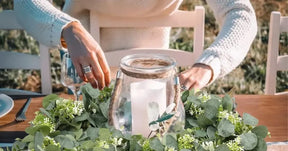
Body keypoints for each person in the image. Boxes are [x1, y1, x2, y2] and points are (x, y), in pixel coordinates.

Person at [14, 0, 257, 91]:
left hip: (154, 84)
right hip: (88, 84)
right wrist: (68, 29)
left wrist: (208, 64)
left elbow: (240, 12)